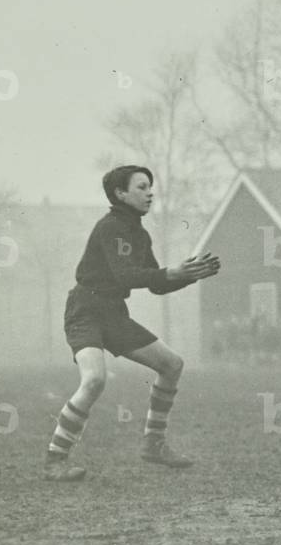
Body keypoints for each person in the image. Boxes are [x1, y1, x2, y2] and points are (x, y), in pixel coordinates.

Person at [44, 165, 220, 481]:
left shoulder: (139, 234)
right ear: (120, 194)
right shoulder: (109, 227)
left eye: (150, 186)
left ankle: (154, 444)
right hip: (84, 309)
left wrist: (188, 276)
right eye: (141, 187)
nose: (150, 192)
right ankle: (56, 460)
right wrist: (171, 273)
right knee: (95, 379)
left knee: (172, 364)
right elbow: (125, 275)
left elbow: (156, 284)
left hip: (114, 313)